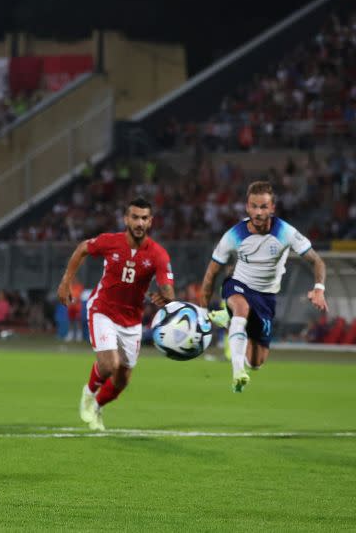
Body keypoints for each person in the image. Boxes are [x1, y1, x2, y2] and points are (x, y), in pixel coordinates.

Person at [196, 181, 327, 392]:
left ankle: (229, 322)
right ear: (247, 207)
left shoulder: (286, 231)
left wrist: (319, 287)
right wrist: (202, 310)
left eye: (263, 207)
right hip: (237, 285)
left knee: (256, 362)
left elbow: (317, 261)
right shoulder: (233, 235)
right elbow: (212, 273)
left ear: (272, 208)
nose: (258, 212)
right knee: (241, 308)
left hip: (266, 297)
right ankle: (237, 372)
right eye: (254, 206)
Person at [57, 197, 174, 431]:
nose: (139, 222)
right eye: (135, 217)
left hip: (131, 321)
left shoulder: (158, 254)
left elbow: (168, 288)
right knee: (110, 364)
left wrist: (167, 296)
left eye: (144, 218)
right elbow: (82, 249)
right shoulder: (111, 242)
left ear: (150, 221)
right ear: (126, 219)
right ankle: (88, 393)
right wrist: (66, 281)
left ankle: (98, 406)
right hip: (103, 310)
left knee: (122, 380)